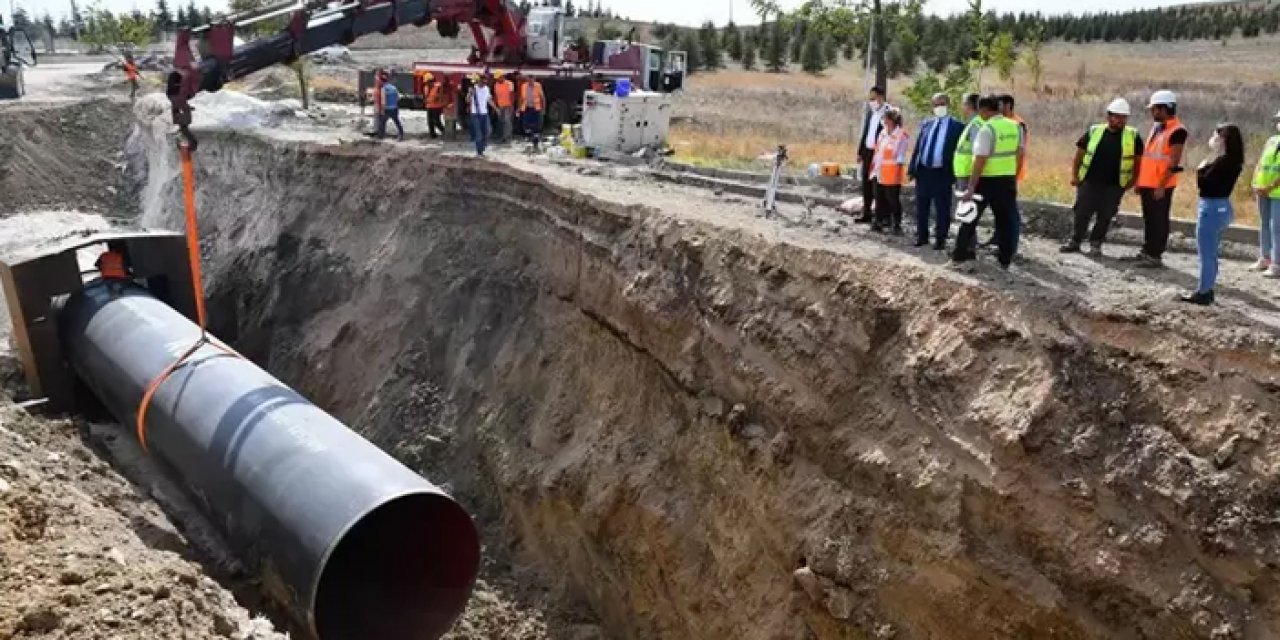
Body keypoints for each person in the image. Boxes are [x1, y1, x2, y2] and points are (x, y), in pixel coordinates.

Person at [1061, 98, 1143, 256]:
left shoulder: (1133, 136)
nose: (1121, 120)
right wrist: (1075, 176)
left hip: (1115, 184)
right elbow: (1079, 155)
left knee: (1105, 216)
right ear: (1109, 116)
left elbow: (1138, 161)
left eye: (1124, 117)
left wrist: (1133, 180)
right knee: (1081, 212)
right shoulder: (1094, 131)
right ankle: (1075, 241)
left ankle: (1096, 244)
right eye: (1118, 117)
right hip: (1089, 182)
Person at [950, 95, 1024, 271]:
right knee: (1006, 221)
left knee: (969, 218)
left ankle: (959, 256)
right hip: (1007, 180)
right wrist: (1013, 175)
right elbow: (1020, 154)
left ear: (983, 110)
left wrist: (971, 186)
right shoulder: (1015, 127)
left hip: (986, 181)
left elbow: (980, 160)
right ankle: (1005, 259)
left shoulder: (987, 129)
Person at [1181, 124, 1245, 305]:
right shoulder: (1233, 161)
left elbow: (1205, 184)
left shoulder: (1223, 162)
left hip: (1211, 209)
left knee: (1206, 254)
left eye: (1217, 136)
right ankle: (1207, 288)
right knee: (1211, 252)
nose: (1213, 140)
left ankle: (1204, 292)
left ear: (1224, 140)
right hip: (1221, 207)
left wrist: (1201, 169)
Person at [1130, 89, 1187, 268]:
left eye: (1156, 109)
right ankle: (1147, 251)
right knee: (1149, 219)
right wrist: (1140, 181)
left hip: (1161, 184)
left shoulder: (1177, 131)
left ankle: (1155, 255)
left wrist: (1161, 185)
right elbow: (1149, 157)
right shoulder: (1157, 128)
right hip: (1148, 182)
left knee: (1159, 219)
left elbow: (1173, 161)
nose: (1153, 112)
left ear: (1166, 108)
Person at [909, 92, 963, 249]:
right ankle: (922, 236)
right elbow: (919, 147)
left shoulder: (957, 127)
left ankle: (940, 239)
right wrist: (913, 168)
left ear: (948, 105)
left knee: (942, 207)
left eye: (942, 104)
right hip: (924, 171)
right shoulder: (927, 124)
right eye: (936, 104)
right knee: (921, 206)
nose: (939, 107)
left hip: (943, 173)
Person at [871, 107, 910, 235]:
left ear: (891, 120)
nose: (883, 120)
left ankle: (897, 224)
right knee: (879, 198)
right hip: (879, 172)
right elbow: (877, 152)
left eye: (885, 118)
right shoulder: (882, 133)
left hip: (892, 173)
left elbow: (900, 155)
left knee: (893, 200)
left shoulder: (901, 135)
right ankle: (878, 222)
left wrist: (898, 171)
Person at [1251, 108, 1280, 278]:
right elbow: (1261, 162)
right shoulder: (1271, 140)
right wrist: (1255, 183)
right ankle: (1265, 258)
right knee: (1264, 224)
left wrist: (1269, 187)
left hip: (1277, 193)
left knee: (1276, 228)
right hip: (1263, 190)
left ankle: (1277, 264)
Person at [855, 86, 889, 223]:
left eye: (874, 98)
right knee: (866, 184)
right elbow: (866, 133)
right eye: (870, 98)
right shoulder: (872, 112)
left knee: (878, 186)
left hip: (879, 155)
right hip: (867, 153)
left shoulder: (889, 112)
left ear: (881, 97)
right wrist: (860, 152)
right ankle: (867, 213)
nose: (872, 101)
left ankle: (882, 217)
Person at [467, 74, 495, 156]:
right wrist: (470, 93)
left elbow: (489, 99)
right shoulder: (473, 89)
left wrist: (496, 108)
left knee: (487, 131)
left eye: (485, 82)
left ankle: (482, 146)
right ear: (478, 81)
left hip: (484, 114)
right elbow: (467, 100)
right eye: (482, 81)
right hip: (475, 114)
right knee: (478, 134)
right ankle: (479, 151)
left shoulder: (486, 89)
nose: (484, 83)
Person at [519, 75, 546, 150]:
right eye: (529, 80)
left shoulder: (538, 86)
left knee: (536, 126)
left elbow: (542, 98)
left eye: (532, 80)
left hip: (536, 108)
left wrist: (543, 109)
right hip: (526, 108)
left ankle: (535, 143)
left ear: (534, 79)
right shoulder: (524, 86)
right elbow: (521, 97)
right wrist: (519, 108)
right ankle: (528, 141)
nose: (530, 81)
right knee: (526, 124)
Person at [375, 71, 404, 141]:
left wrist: (382, 109)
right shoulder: (394, 88)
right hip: (394, 108)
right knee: (397, 121)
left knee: (382, 122)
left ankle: (381, 136)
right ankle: (401, 134)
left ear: (382, 81)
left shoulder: (383, 89)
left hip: (387, 109)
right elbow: (398, 97)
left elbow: (383, 101)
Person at [493, 71, 516, 143]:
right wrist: (495, 107)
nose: (497, 79)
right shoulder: (496, 85)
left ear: (502, 77)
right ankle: (502, 136)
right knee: (501, 121)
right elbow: (496, 96)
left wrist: (512, 105)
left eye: (498, 78)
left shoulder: (509, 84)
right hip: (500, 106)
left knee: (507, 121)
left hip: (508, 105)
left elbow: (512, 95)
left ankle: (507, 137)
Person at [425, 73, 448, 139]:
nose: (427, 83)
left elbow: (442, 96)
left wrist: (437, 98)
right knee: (430, 122)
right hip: (429, 106)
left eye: (428, 82)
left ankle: (444, 132)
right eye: (426, 82)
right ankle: (432, 135)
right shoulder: (426, 87)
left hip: (436, 107)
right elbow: (426, 96)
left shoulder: (438, 87)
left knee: (436, 121)